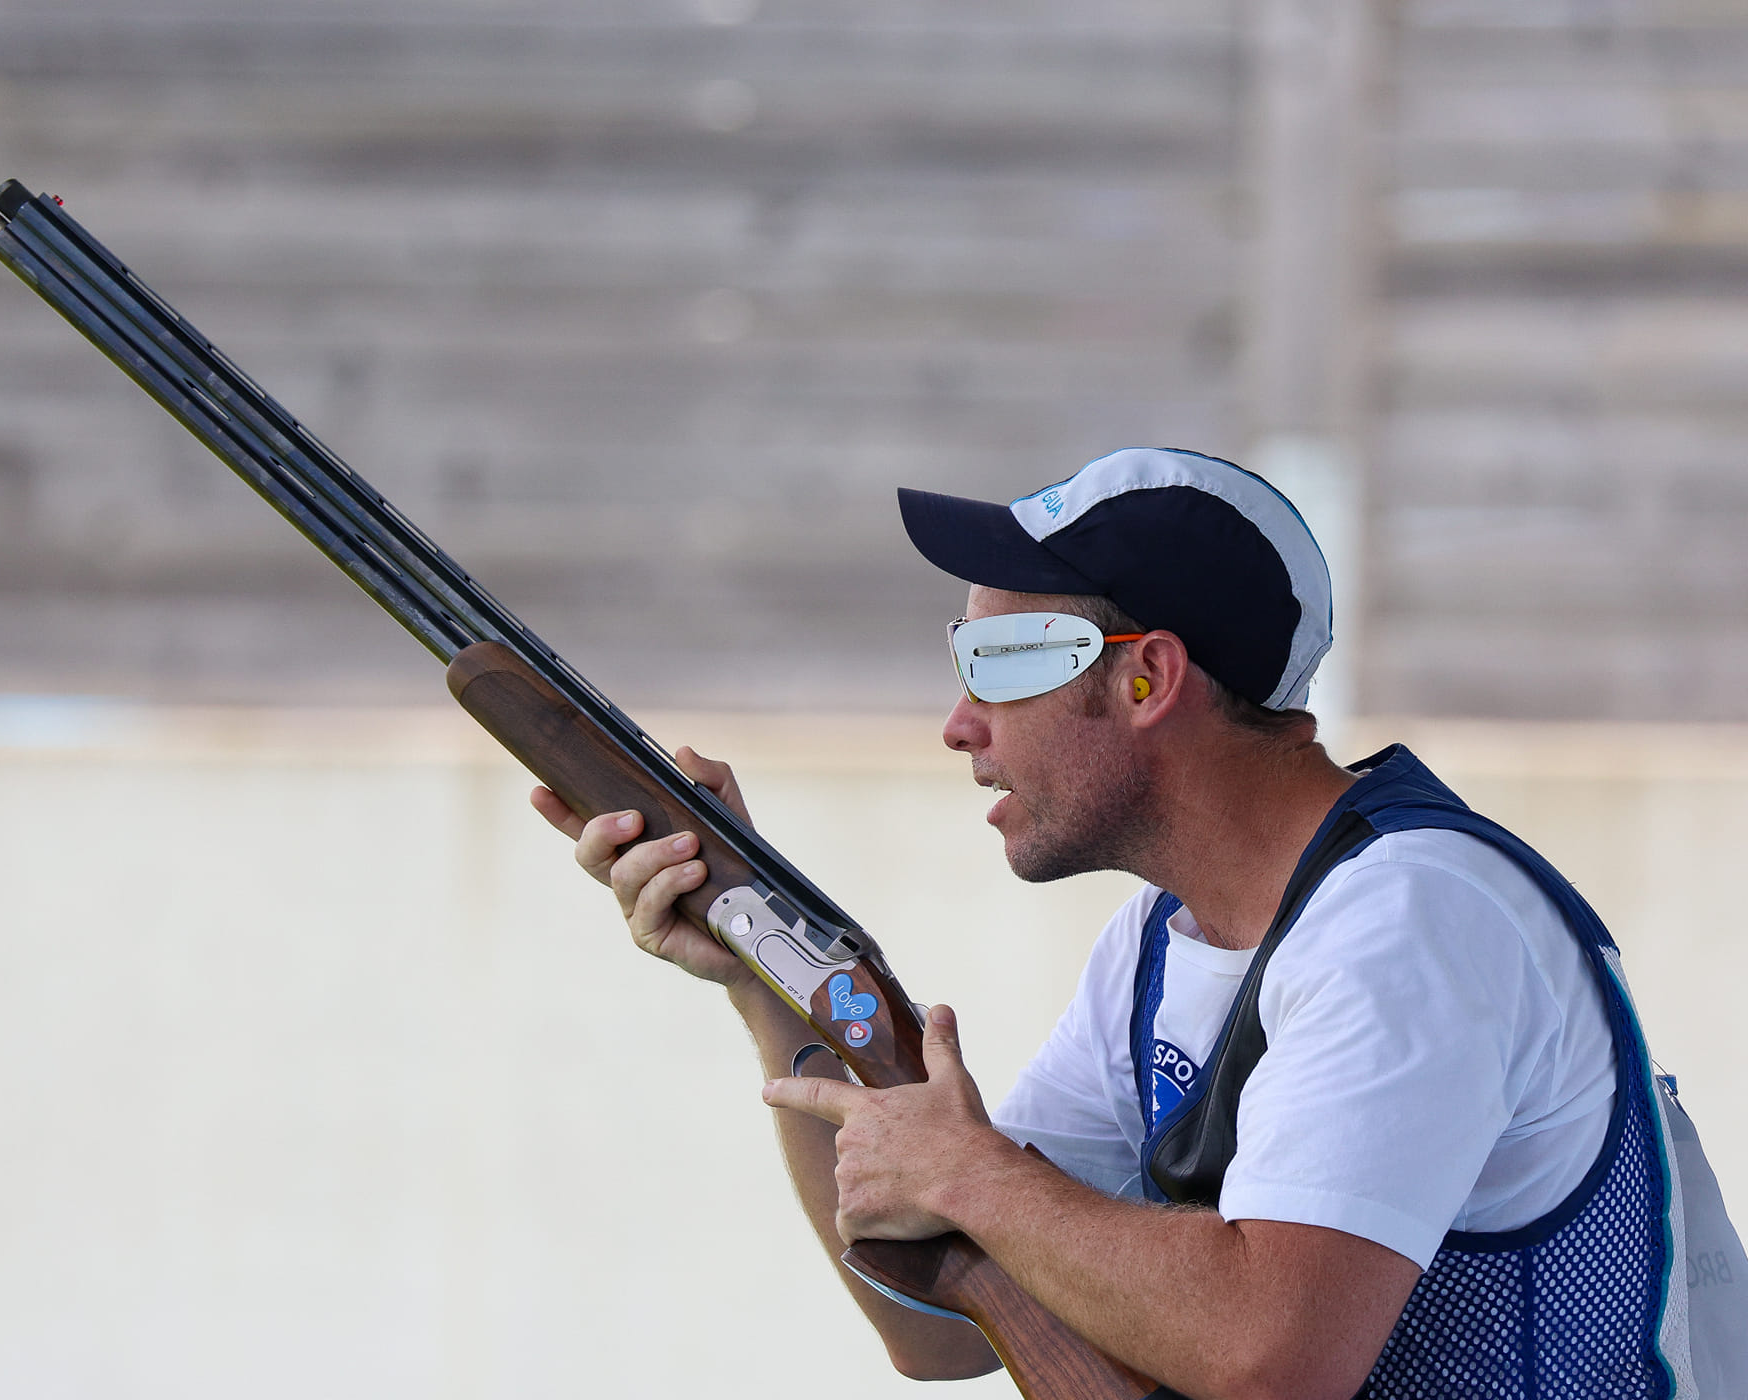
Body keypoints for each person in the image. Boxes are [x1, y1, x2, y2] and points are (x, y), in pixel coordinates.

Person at [529, 448, 1744, 1399]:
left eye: (1000, 659)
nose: (958, 721)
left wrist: (973, 1172)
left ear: (1148, 678)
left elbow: (1275, 1354)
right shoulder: (1160, 949)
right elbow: (940, 1323)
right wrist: (760, 970)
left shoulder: (1409, 917)